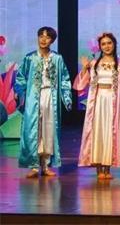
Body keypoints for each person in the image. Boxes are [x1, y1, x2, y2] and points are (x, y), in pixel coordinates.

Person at [75, 32, 120, 179]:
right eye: (103, 44)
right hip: (97, 101)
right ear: (100, 47)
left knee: (109, 132)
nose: (107, 46)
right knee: (97, 132)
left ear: (114, 44)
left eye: (109, 43)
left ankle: (107, 169)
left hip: (111, 102)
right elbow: (80, 85)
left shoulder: (119, 64)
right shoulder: (94, 63)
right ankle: (98, 169)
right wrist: (84, 68)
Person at [14, 26, 73, 178]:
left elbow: (65, 79)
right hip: (33, 97)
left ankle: (46, 165)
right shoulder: (30, 58)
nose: (43, 40)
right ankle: (34, 166)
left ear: (52, 40)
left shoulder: (57, 58)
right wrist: (20, 93)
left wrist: (66, 97)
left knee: (48, 129)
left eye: (47, 37)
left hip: (50, 96)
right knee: (33, 129)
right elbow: (21, 77)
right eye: (41, 36)